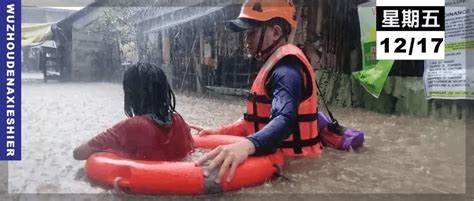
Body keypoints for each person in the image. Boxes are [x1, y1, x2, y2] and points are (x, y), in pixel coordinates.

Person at [192, 0, 320, 184]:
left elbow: (285, 119)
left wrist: (248, 145)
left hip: (297, 169)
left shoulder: (286, 72)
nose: (246, 41)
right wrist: (218, 132)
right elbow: (253, 122)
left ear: (275, 32)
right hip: (283, 162)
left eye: (251, 33)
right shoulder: (274, 64)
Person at [73, 62, 193, 161]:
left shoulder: (133, 126)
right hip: (179, 181)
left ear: (130, 95)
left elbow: (78, 153)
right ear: (165, 91)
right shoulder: (179, 121)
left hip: (144, 187)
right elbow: (190, 149)